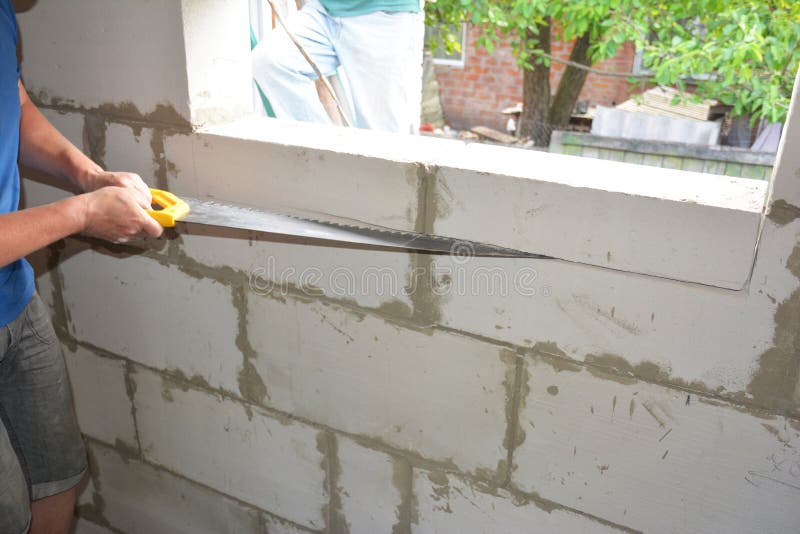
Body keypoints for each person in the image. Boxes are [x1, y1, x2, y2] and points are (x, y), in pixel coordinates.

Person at [0, 1, 163, 532]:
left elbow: (14, 103)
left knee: (58, 480)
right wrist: (82, 213)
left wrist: (89, 178)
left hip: (13, 300)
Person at [252, 0, 425, 134]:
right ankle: (328, 155)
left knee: (381, 136)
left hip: (383, 14)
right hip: (324, 10)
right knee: (271, 61)